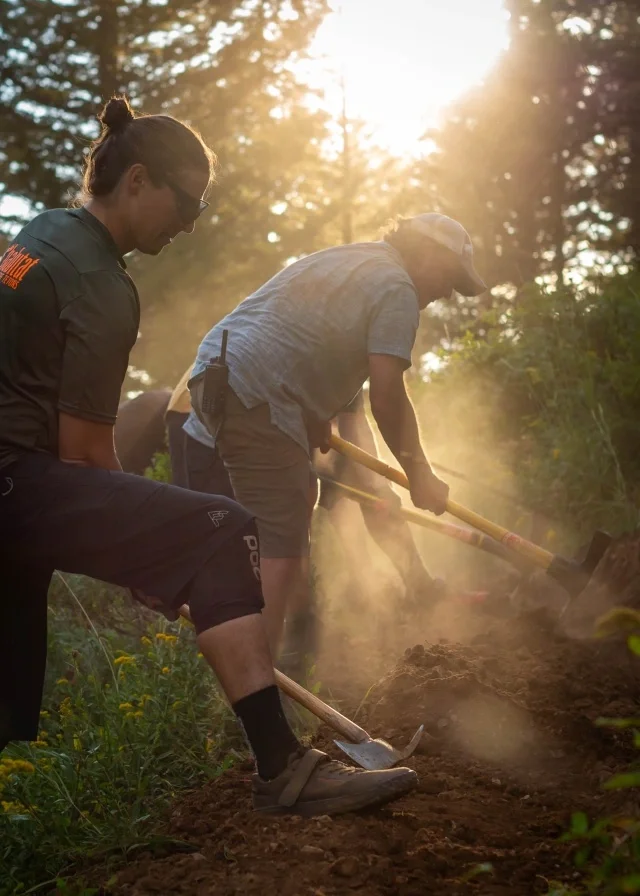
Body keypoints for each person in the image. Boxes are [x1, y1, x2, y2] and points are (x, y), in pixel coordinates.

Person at [0, 95, 418, 817]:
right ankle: (283, 768)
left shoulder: (40, 235)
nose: (188, 227)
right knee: (221, 530)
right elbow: (84, 451)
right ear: (136, 181)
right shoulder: (102, 283)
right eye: (185, 205)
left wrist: (142, 546)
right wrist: (151, 555)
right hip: (21, 479)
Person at [185, 213, 487, 655]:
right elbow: (388, 398)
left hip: (219, 375)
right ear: (424, 252)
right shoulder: (398, 287)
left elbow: (298, 332)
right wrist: (419, 473)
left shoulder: (355, 261)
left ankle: (274, 654)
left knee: (295, 500)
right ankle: (259, 680)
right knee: (280, 548)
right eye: (449, 278)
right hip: (257, 392)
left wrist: (312, 414)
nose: (445, 293)